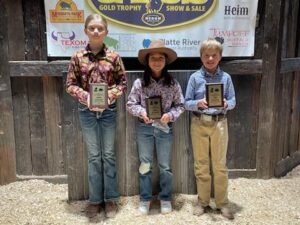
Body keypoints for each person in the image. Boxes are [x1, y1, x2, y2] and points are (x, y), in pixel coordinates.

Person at [66, 14, 127, 218]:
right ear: (85, 31)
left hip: (108, 111)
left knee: (108, 155)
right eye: (92, 28)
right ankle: (95, 200)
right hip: (87, 112)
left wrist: (109, 95)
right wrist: (87, 96)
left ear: (106, 32)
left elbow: (123, 84)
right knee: (94, 156)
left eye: (100, 28)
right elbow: (70, 85)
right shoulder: (77, 57)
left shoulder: (114, 57)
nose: (96, 31)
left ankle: (110, 199)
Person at [126, 40, 185, 215]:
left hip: (164, 128)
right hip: (144, 128)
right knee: (145, 164)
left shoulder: (173, 84)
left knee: (165, 166)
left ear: (165, 61)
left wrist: (170, 115)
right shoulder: (139, 83)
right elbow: (130, 104)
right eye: (153, 58)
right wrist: (142, 112)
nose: (157, 61)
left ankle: (165, 198)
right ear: (148, 61)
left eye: (160, 57)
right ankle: (145, 199)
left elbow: (180, 105)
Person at [185, 38, 236, 220]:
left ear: (220, 57)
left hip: (219, 123)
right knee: (201, 164)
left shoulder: (226, 78)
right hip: (199, 123)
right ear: (201, 57)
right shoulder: (194, 78)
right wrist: (197, 103)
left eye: (214, 55)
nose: (210, 58)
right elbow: (186, 103)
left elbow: (233, 102)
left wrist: (225, 104)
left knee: (220, 165)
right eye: (206, 55)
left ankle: (222, 203)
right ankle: (203, 202)